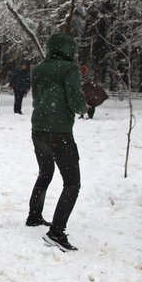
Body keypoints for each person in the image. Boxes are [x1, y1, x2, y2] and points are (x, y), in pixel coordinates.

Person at [25, 34, 87, 251]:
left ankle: (34, 216)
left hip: (38, 129)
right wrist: (83, 107)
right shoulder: (69, 69)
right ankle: (56, 232)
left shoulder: (38, 69)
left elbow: (36, 99)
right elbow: (75, 100)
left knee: (45, 172)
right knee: (72, 183)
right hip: (59, 132)